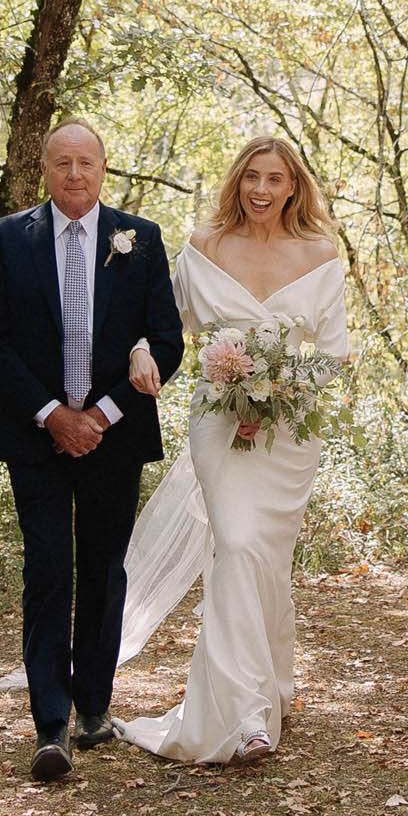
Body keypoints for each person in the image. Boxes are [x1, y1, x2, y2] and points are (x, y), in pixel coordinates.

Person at [116, 137, 348, 761]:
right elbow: (165, 322)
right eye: (252, 177)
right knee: (237, 546)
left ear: (294, 186)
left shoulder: (321, 255)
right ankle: (246, 718)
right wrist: (140, 348)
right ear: (237, 182)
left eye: (275, 179)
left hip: (288, 434)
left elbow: (331, 355)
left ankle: (271, 689)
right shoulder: (204, 248)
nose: (262, 190)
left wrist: (276, 394)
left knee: (263, 560)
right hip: (219, 423)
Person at [0, 119, 183, 781]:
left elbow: (166, 341)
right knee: (46, 570)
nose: (74, 174)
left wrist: (100, 415)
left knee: (101, 568)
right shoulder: (10, 238)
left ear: (102, 168)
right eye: (61, 162)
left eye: (85, 162)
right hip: (37, 438)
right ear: (44, 168)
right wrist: (53, 416)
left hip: (114, 438)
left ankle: (94, 705)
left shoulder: (140, 240)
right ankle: (49, 721)